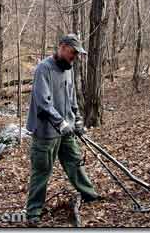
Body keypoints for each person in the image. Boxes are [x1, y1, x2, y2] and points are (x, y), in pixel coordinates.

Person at [25, 33, 100, 225]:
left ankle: (90, 194)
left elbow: (72, 98)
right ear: (62, 47)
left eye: (77, 53)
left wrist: (77, 120)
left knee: (75, 162)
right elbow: (43, 103)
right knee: (42, 170)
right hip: (45, 132)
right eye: (72, 52)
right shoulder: (44, 69)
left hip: (66, 129)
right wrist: (60, 123)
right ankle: (33, 212)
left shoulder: (69, 69)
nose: (74, 56)